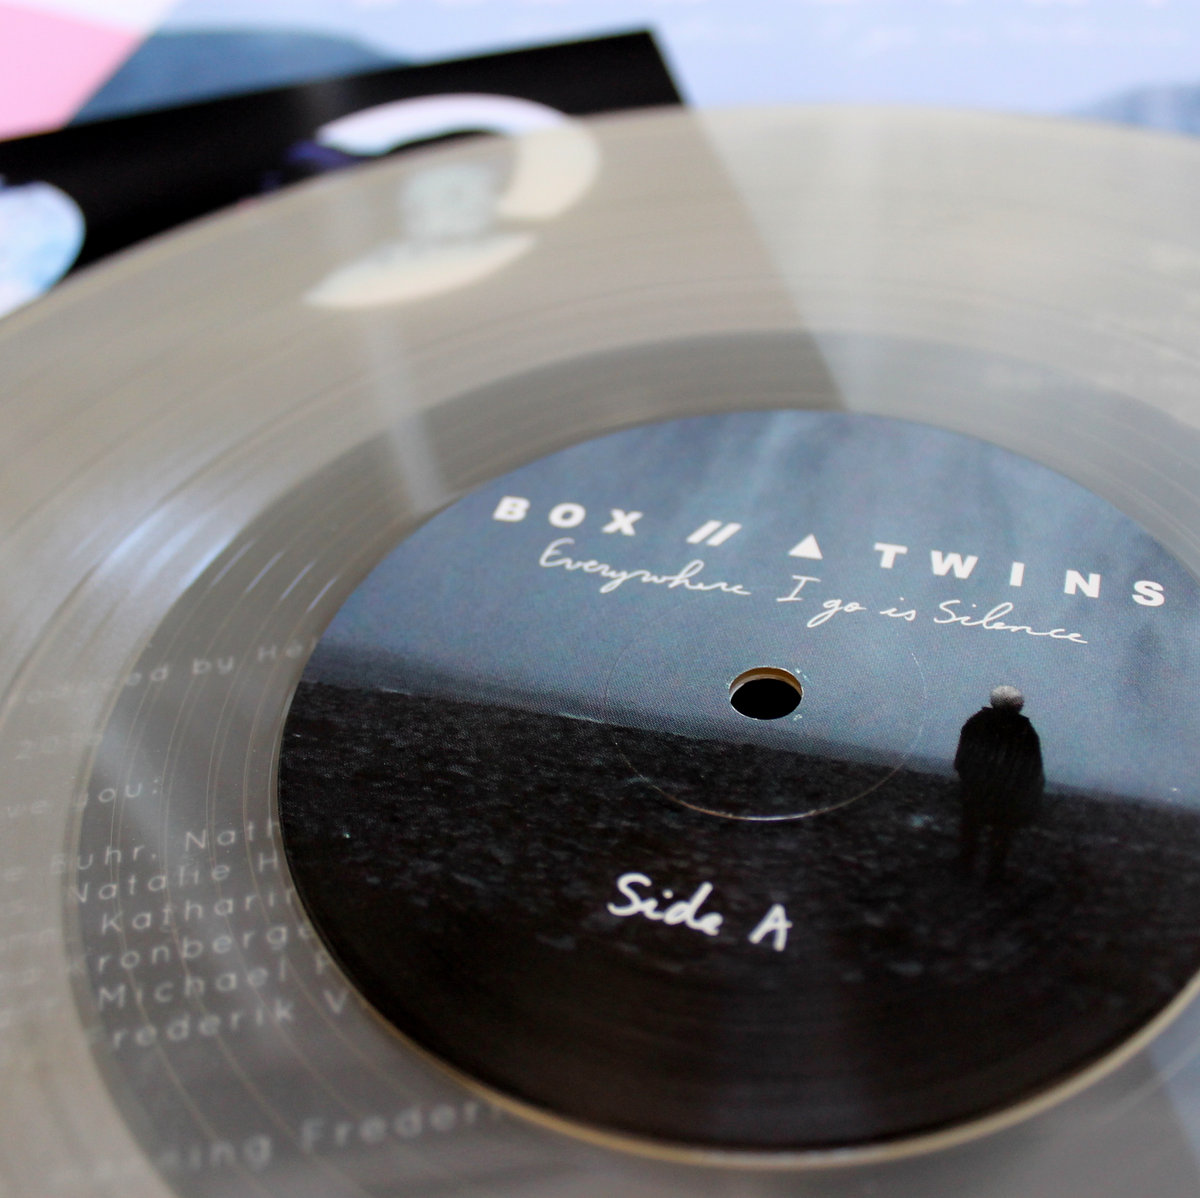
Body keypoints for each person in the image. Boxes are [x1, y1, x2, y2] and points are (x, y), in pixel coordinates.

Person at [954, 686, 1044, 879]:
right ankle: (993, 873)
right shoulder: (1025, 731)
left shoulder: (976, 723)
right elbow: (1033, 767)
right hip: (1007, 794)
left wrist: (968, 777)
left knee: (971, 828)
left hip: (977, 788)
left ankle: (965, 869)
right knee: (1001, 834)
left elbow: (962, 757)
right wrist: (1028, 791)